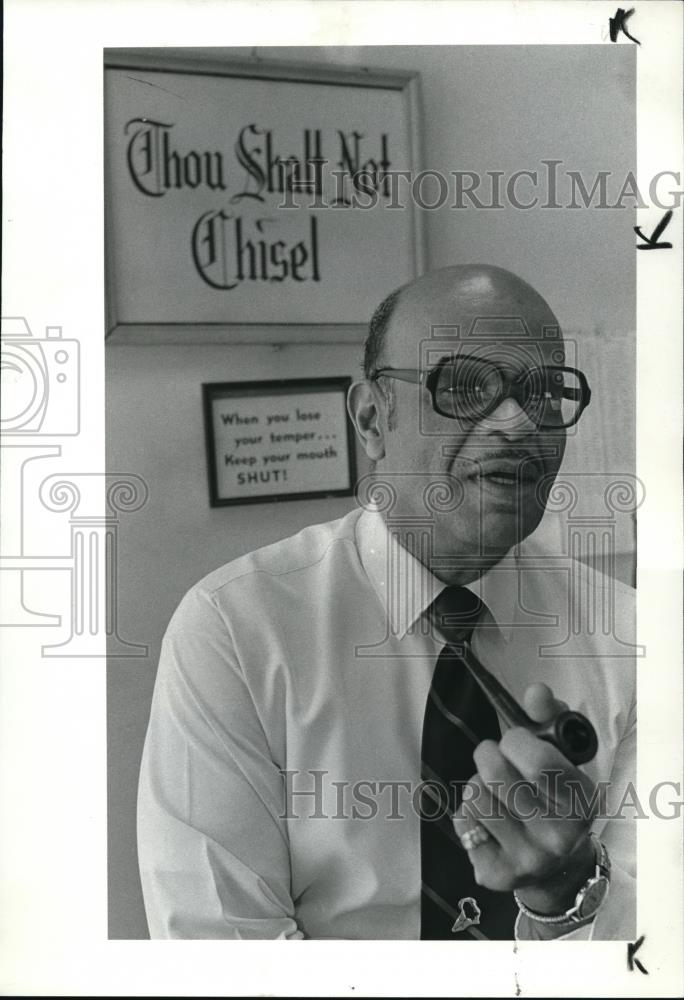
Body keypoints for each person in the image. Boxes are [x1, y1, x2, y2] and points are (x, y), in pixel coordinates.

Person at [137, 264, 635, 940]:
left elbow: (658, 950)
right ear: (372, 419)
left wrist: (565, 889)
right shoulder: (237, 629)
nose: (518, 423)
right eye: (463, 387)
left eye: (544, 392)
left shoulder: (633, 636)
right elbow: (220, 955)